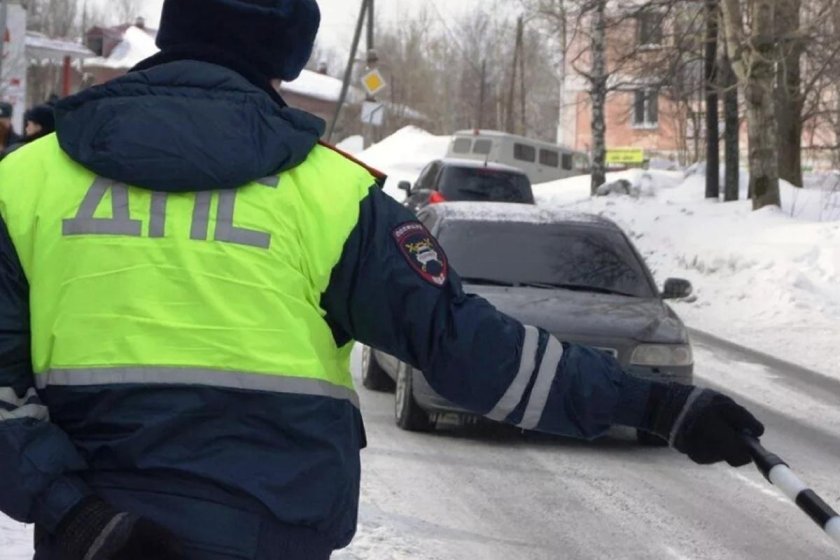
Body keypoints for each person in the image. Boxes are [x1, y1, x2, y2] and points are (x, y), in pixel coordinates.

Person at [0, 1, 764, 559]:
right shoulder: (332, 196)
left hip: (98, 539)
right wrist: (655, 405)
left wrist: (75, 515)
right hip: (272, 537)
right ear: (286, 55)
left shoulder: (26, 182)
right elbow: (468, 349)